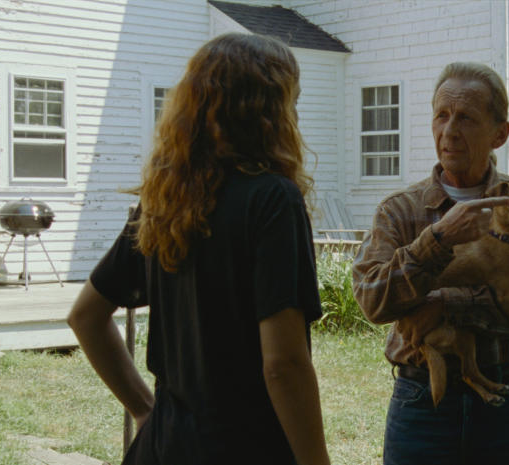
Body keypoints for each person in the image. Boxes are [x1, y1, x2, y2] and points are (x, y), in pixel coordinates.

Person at [67, 33, 331, 465]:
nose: (296, 117)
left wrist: (143, 407)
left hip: (165, 447)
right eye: (292, 103)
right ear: (267, 113)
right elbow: (283, 364)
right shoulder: (272, 199)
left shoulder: (165, 200)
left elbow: (85, 316)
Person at [352, 62, 509, 465]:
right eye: (442, 116)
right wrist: (438, 240)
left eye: (466, 118)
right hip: (422, 401)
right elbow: (373, 300)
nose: (449, 131)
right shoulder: (401, 211)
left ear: (500, 133)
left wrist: (440, 304)